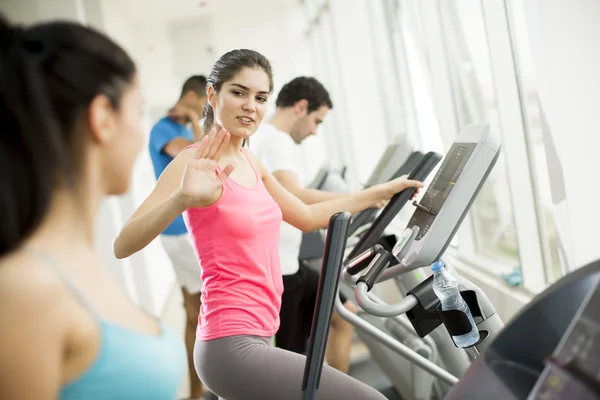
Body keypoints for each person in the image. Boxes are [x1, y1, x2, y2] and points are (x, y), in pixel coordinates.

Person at [113, 49, 422, 400]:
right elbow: (122, 244)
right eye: (239, 93)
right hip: (229, 343)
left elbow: (304, 216)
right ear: (213, 95)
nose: (251, 106)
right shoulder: (192, 160)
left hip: (259, 331)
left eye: (260, 98)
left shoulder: (251, 161)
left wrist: (377, 194)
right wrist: (181, 199)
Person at [0, 16, 185, 400]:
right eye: (139, 112)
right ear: (103, 118)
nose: (141, 133)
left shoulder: (75, 262)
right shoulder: (25, 288)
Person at [250, 77, 356, 373]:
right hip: (280, 272)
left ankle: (335, 392)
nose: (313, 131)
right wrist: (360, 198)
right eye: (316, 121)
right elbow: (296, 197)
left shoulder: (267, 138)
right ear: (300, 107)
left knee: (344, 312)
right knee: (292, 363)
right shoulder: (275, 140)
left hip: (286, 265)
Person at [149, 75, 209, 400]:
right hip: (177, 232)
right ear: (190, 96)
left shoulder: (184, 129)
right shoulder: (163, 129)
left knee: (193, 309)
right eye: (201, 105)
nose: (201, 113)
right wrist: (195, 126)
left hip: (186, 229)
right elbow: (195, 159)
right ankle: (199, 390)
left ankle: (198, 391)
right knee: (199, 309)